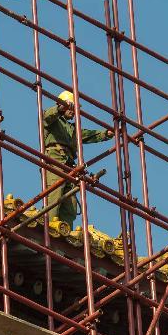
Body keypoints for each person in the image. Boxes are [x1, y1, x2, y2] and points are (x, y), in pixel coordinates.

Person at [43, 90, 113, 232]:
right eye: (72, 108)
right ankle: (49, 227)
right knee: (55, 193)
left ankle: (64, 231)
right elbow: (47, 116)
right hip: (55, 159)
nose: (74, 112)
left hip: (68, 164)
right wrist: (60, 108)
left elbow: (87, 135)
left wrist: (106, 134)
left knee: (71, 203)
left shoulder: (72, 128)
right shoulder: (53, 120)